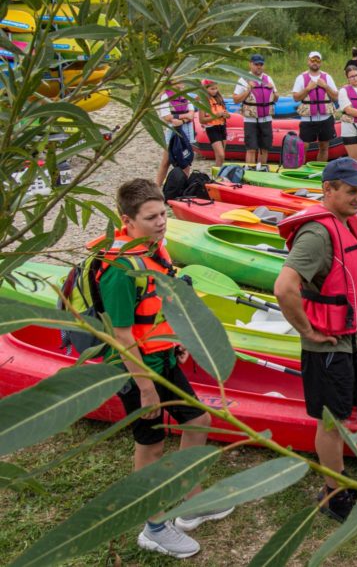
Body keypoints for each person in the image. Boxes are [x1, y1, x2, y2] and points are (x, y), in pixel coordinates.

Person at [95, 179, 233, 558]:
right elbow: (122, 335)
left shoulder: (156, 250)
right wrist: (145, 388)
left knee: (197, 420)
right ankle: (154, 528)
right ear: (127, 221)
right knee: (151, 446)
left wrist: (179, 339)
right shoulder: (121, 269)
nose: (161, 222)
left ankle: (192, 502)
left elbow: (162, 303)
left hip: (163, 359)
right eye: (151, 217)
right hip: (135, 370)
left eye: (163, 214)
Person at [274, 157, 357, 523]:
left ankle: (340, 478)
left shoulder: (345, 221)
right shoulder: (317, 234)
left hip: (350, 340)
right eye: (351, 191)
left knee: (341, 418)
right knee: (330, 423)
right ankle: (334, 495)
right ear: (328, 189)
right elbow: (284, 288)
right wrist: (306, 330)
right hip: (328, 348)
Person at [292, 51, 339, 162]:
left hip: (325, 118)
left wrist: (325, 86)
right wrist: (308, 88)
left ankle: (320, 170)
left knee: (324, 147)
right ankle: (300, 168)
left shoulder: (327, 77)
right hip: (308, 119)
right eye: (312, 60)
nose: (315, 62)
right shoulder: (301, 78)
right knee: (303, 147)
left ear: (320, 62)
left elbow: (335, 97)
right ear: (308, 61)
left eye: (317, 60)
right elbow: (296, 98)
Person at [232, 54, 278, 169]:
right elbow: (236, 99)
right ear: (250, 64)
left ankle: (262, 171)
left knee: (264, 148)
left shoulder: (268, 78)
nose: (259, 66)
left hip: (266, 119)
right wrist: (248, 90)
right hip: (250, 120)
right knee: (251, 148)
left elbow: (276, 98)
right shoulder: (243, 80)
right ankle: (250, 172)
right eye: (256, 64)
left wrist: (273, 90)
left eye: (261, 64)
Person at [156, 78, 195, 187]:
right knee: (166, 161)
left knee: (186, 161)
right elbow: (167, 117)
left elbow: (192, 114)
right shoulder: (166, 96)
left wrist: (181, 120)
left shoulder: (186, 95)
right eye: (180, 79)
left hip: (186, 129)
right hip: (172, 130)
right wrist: (185, 116)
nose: (183, 81)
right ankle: (156, 187)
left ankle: (183, 188)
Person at [198, 79, 231, 168]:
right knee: (221, 155)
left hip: (222, 127)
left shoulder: (219, 99)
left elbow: (226, 114)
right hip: (212, 128)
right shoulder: (203, 101)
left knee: (220, 157)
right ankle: (217, 174)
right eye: (212, 89)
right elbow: (202, 120)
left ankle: (217, 174)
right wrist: (216, 115)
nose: (215, 91)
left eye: (216, 88)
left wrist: (227, 115)